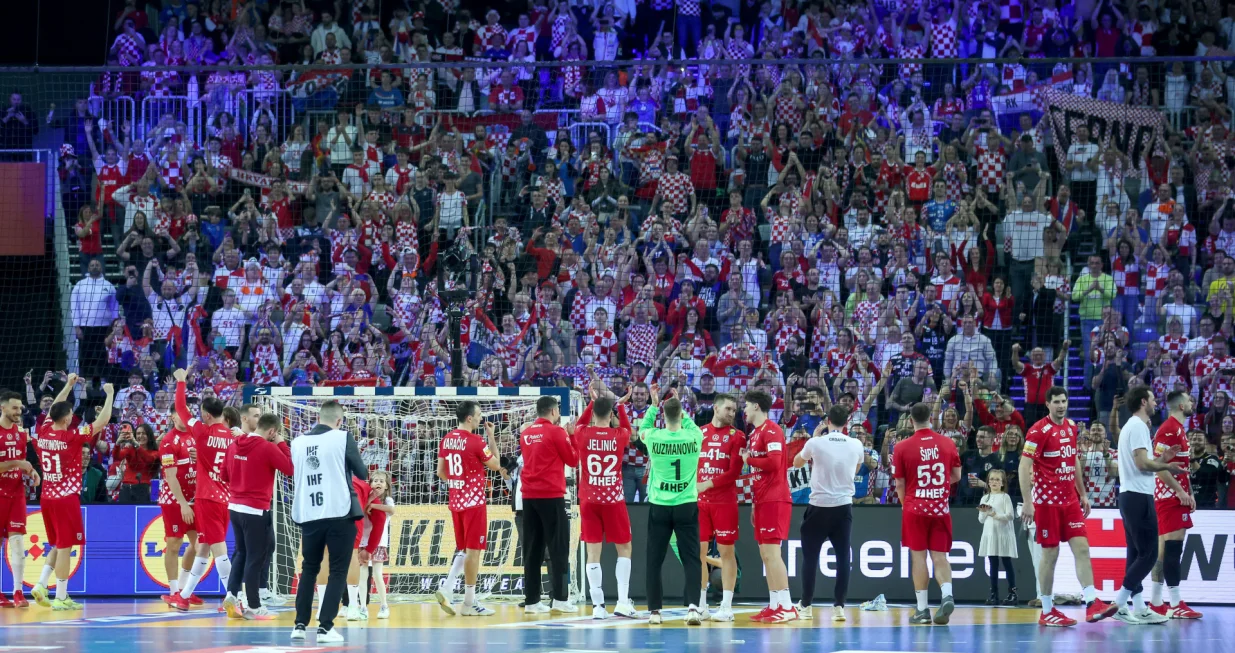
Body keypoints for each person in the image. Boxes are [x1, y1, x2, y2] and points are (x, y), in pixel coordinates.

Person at [1019, 386, 1117, 627]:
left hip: (1070, 501)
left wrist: (1082, 493)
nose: (1061, 405)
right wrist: (1028, 503)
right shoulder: (1037, 431)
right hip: (1046, 503)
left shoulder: (1072, 426)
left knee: (1082, 548)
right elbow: (1023, 467)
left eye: (1064, 401)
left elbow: (1072, 458)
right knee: (1050, 555)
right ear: (1048, 404)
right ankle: (1048, 610)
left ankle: (1092, 602)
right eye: (1056, 402)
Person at [31, 376, 114, 610]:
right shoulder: (72, 437)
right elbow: (103, 421)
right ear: (67, 418)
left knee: (58, 544)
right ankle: (61, 596)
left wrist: (68, 385)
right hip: (66, 498)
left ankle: (40, 584)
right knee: (66, 546)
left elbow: (55, 407)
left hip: (47, 496)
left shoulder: (44, 431)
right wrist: (109, 394)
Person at [289, 399, 368, 643]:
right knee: (337, 571)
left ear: (317, 418)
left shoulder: (298, 442)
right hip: (338, 512)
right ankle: (325, 628)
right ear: (339, 421)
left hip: (309, 514)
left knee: (309, 569)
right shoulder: (342, 437)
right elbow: (362, 473)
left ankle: (299, 625)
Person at [1112, 386, 1186, 624]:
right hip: (1138, 496)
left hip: (1130, 495)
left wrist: (1161, 460)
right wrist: (1168, 466)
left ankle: (1140, 606)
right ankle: (1120, 603)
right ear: (1144, 402)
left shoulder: (1131, 427)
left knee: (1135, 553)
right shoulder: (1139, 426)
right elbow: (1143, 464)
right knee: (1150, 553)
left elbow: (1142, 463)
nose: (1156, 403)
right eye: (1153, 399)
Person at [167, 369, 236, 612]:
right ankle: (184, 596)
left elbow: (180, 407)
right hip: (225, 497)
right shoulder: (231, 436)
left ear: (206, 415)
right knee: (203, 546)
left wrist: (182, 381)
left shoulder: (201, 431)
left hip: (207, 498)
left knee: (219, 550)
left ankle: (233, 597)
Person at [569, 380, 637, 620]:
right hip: (613, 499)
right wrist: (621, 406)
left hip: (589, 499)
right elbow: (630, 431)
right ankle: (621, 601)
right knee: (625, 548)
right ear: (610, 415)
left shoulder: (582, 433)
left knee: (593, 553)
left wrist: (590, 403)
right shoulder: (619, 435)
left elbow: (577, 424)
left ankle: (598, 606)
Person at [435, 400, 508, 617]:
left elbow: (440, 472)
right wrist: (491, 437)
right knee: (473, 553)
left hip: (455, 501)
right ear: (469, 418)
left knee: (464, 550)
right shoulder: (475, 440)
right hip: (474, 502)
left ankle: (448, 588)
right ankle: (469, 603)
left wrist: (459, 482)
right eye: (479, 415)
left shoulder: (447, 438)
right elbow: (496, 465)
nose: (481, 418)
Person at [640, 384, 705, 625]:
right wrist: (682, 408)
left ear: (663, 416)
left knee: (654, 559)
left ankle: (655, 612)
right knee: (691, 559)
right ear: (680, 414)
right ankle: (692, 608)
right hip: (686, 505)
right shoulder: (694, 436)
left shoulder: (654, 437)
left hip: (659, 506)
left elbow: (642, 429)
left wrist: (654, 405)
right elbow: (692, 427)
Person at [792, 404, 863, 623]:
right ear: (847, 422)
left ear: (828, 421)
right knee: (843, 558)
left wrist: (813, 438)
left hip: (819, 507)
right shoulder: (856, 443)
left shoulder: (816, 442)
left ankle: (806, 605)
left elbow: (796, 463)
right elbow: (857, 468)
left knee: (810, 558)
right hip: (843, 507)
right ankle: (839, 607)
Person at [893, 402, 962, 625]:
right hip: (940, 508)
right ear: (931, 418)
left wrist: (906, 504)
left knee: (919, 557)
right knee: (940, 556)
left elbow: (900, 484)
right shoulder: (947, 442)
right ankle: (947, 594)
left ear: (911, 420)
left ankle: (922, 610)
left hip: (915, 508)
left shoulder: (902, 447)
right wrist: (939, 486)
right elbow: (957, 475)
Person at [220, 412, 293, 620]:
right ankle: (253, 605)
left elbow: (224, 475)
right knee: (255, 558)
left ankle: (232, 594)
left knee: (241, 553)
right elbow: (289, 468)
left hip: (234, 507)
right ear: (272, 431)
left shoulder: (234, 445)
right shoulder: (269, 447)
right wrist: (281, 444)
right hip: (256, 509)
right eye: (275, 434)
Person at [519, 395, 577, 615]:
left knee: (532, 550)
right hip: (551, 496)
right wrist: (572, 436)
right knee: (559, 547)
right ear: (554, 412)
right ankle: (560, 599)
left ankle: (532, 601)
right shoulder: (556, 432)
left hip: (528, 497)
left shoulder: (525, 434)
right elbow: (573, 460)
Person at [1148, 391, 1203, 620]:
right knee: (1173, 548)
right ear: (1181, 405)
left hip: (1174, 496)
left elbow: (1181, 466)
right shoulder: (1169, 429)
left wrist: (1189, 491)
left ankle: (1156, 602)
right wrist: (1181, 492)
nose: (1192, 402)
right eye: (1189, 400)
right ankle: (1175, 603)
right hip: (1170, 497)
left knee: (1162, 552)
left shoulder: (1178, 429)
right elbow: (1159, 468)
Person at [744, 388, 796, 623]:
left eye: (746, 406)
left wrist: (748, 459)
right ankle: (775, 603)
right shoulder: (754, 434)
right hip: (762, 499)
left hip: (775, 497)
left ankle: (787, 606)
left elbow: (775, 464)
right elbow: (757, 472)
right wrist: (754, 503)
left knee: (773, 554)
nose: (743, 410)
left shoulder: (772, 430)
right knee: (765, 554)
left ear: (756, 406)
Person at [696, 392, 745, 622]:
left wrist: (708, 482)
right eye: (728, 409)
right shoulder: (699, 433)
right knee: (699, 554)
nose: (732, 413)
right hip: (700, 503)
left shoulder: (738, 437)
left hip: (724, 502)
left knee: (727, 553)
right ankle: (701, 605)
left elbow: (734, 472)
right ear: (716, 409)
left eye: (734, 410)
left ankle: (726, 606)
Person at [157, 403, 201, 607]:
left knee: (199, 545)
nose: (186, 417)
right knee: (174, 544)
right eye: (181, 414)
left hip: (196, 498)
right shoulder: (168, 441)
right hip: (175, 500)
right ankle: (173, 591)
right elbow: (170, 476)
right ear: (173, 417)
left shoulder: (196, 434)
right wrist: (183, 504)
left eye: (189, 413)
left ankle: (185, 590)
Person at [0, 390, 39, 607]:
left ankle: (18, 592)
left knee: (17, 543)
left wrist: (31, 473)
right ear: (2, 408)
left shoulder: (22, 434)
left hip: (16, 494)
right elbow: (16, 462)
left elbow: (23, 461)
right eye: (14, 407)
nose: (19, 411)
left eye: (20, 408)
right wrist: (17, 464)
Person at [978, 469, 1018, 606]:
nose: (994, 482)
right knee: (993, 564)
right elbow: (981, 520)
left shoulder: (1005, 497)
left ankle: (1012, 593)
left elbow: (1010, 516)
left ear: (1002, 483)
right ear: (988, 482)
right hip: (991, 534)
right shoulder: (985, 498)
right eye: (992, 479)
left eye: (997, 479)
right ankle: (994, 594)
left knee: (1007, 563)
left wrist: (994, 515)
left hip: (1003, 534)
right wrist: (984, 512)